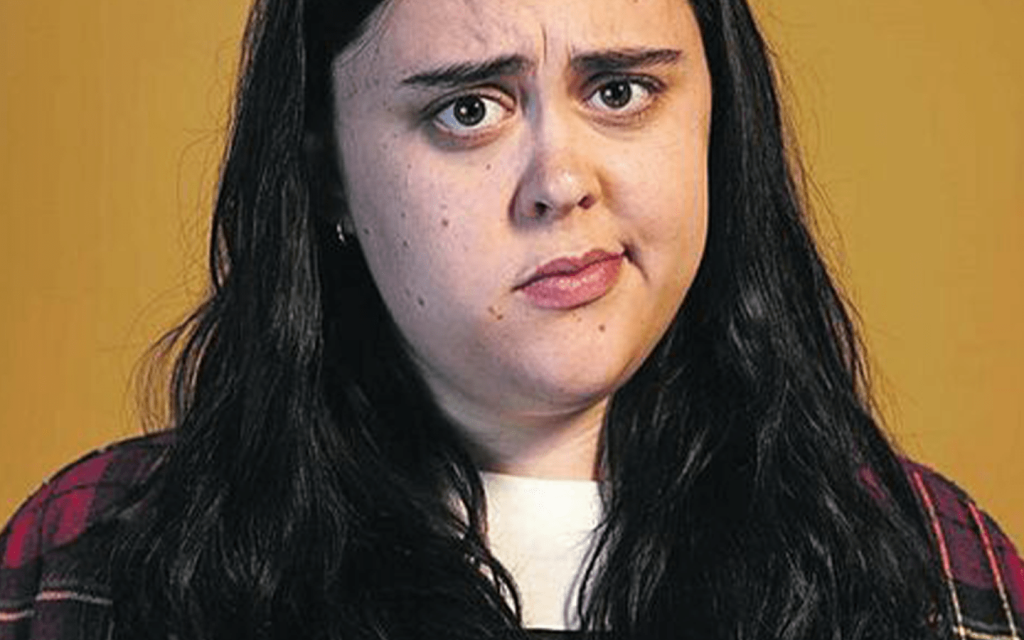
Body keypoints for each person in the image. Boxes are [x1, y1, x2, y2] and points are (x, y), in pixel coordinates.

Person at [1, 0, 1021, 638]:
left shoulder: (937, 562)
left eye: (621, 90)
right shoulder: (86, 558)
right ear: (326, 174)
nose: (561, 182)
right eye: (468, 110)